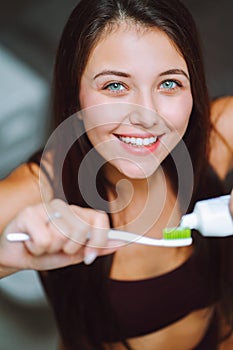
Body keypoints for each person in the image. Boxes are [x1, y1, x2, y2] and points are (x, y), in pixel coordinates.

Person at [0, 0, 232, 349]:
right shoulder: (43, 187)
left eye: (169, 84)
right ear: (75, 92)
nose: (147, 116)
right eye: (115, 86)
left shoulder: (216, 140)